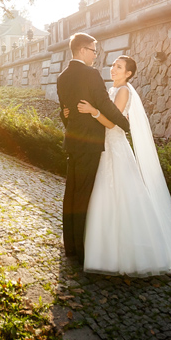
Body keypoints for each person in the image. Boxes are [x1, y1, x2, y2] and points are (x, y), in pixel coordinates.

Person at [73, 55, 171, 284]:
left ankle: (125, 255)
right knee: (104, 196)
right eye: (113, 65)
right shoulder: (112, 90)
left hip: (116, 148)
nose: (113, 69)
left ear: (128, 73)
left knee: (123, 197)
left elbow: (113, 122)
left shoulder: (123, 91)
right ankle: (100, 249)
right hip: (104, 147)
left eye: (119, 67)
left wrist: (92, 111)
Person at [56, 33, 131, 263]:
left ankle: (70, 246)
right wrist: (125, 124)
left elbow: (65, 112)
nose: (95, 56)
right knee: (83, 195)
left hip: (73, 141)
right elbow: (104, 103)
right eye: (93, 51)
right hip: (89, 143)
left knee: (71, 192)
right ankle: (81, 250)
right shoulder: (91, 74)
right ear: (82, 50)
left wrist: (69, 120)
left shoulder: (62, 77)